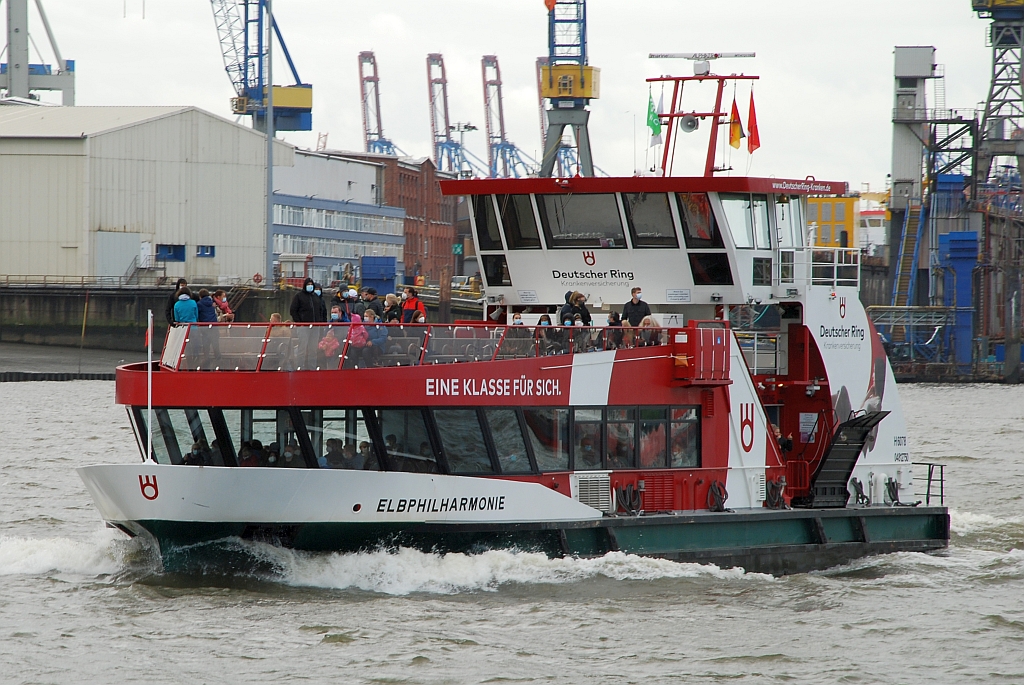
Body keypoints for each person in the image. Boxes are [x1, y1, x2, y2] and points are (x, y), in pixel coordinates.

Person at [290, 277, 323, 368]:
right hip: (303, 327)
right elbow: (293, 310)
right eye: (308, 284)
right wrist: (299, 323)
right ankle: (300, 367)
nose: (310, 286)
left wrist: (319, 321)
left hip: (315, 327)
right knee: (302, 349)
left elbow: (320, 310)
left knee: (313, 350)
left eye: (311, 284)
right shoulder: (299, 296)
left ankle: (312, 368)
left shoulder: (315, 297)